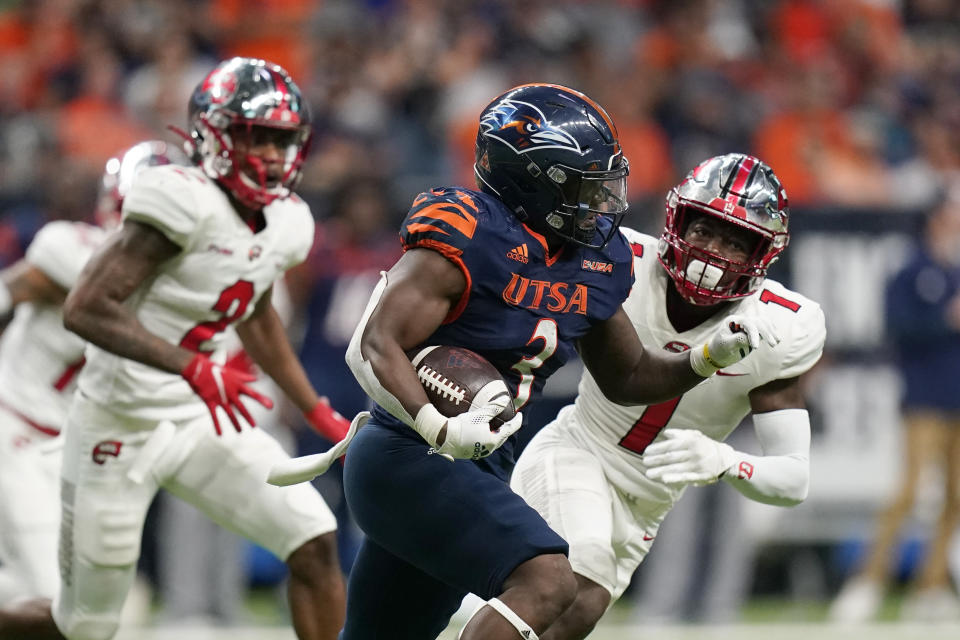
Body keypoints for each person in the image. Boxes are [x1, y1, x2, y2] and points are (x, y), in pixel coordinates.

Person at [340, 85, 779, 640]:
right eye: (584, 185)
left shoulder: (593, 260)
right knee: (548, 581)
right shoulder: (470, 233)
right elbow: (376, 343)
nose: (602, 202)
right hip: (409, 454)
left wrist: (707, 357)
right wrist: (435, 422)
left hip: (481, 462)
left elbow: (628, 377)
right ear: (532, 180)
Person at [0, 57, 351, 640]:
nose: (269, 154)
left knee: (312, 537)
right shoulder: (177, 201)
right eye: (254, 136)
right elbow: (85, 307)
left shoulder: (289, 220)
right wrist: (194, 366)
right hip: (118, 422)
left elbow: (256, 310)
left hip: (193, 417)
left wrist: (311, 405)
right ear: (214, 136)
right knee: (83, 626)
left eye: (281, 140)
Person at [505, 153, 825, 639]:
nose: (713, 253)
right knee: (576, 574)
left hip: (647, 504)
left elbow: (793, 479)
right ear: (676, 220)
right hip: (581, 449)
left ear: (762, 256)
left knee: (577, 614)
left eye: (734, 243)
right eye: (704, 231)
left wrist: (724, 460)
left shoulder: (781, 326)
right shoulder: (619, 262)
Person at [0, 140, 186, 608]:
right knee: (61, 607)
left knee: (77, 605)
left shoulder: (183, 284)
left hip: (72, 452)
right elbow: (14, 289)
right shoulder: (71, 245)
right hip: (18, 432)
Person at [829, 187, 960, 623]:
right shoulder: (911, 271)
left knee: (956, 496)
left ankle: (932, 585)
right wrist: (945, 319)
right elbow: (897, 325)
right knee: (908, 491)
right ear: (936, 218)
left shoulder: (954, 272)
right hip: (924, 397)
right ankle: (869, 580)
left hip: (956, 396)